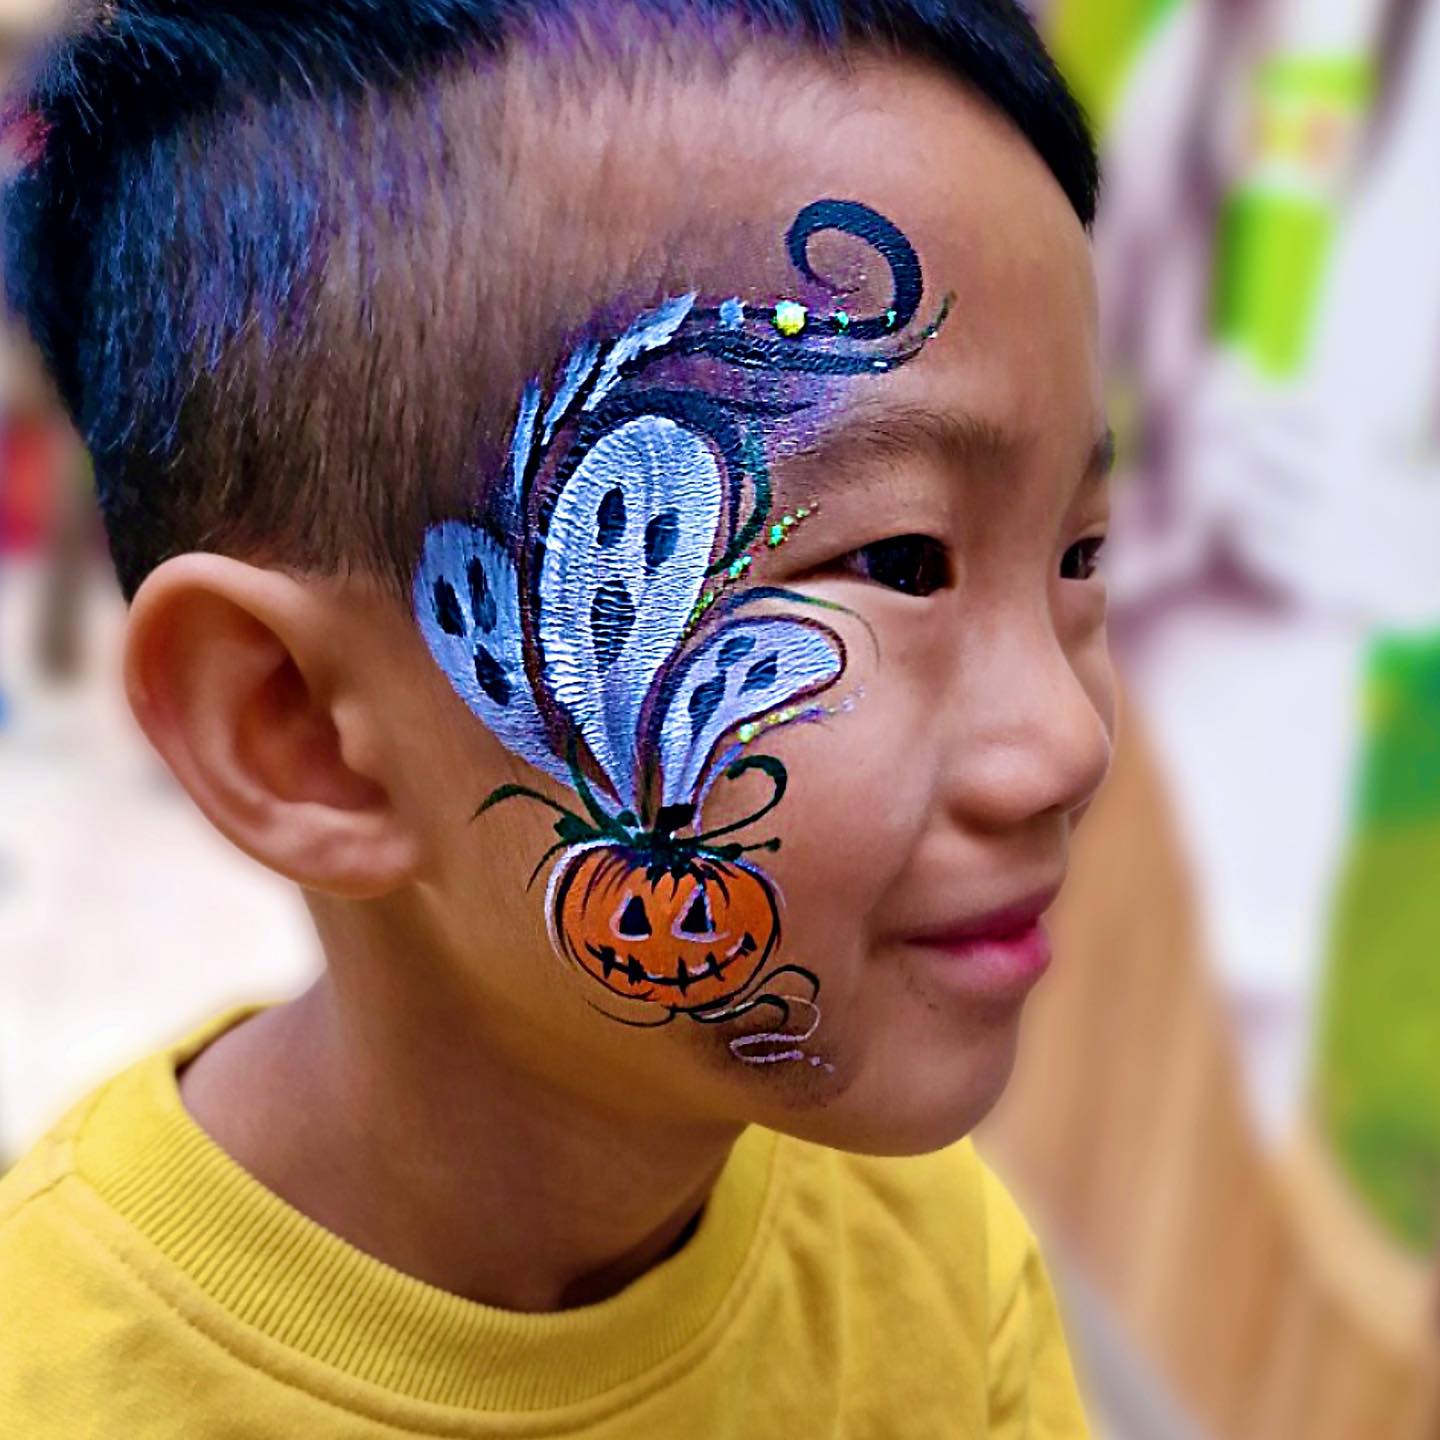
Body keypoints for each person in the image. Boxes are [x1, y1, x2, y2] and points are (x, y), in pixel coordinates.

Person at [0, 1, 1114, 1433]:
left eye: (1081, 554)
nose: (1067, 744)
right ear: (299, 730)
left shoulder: (938, 1278)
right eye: (901, 562)